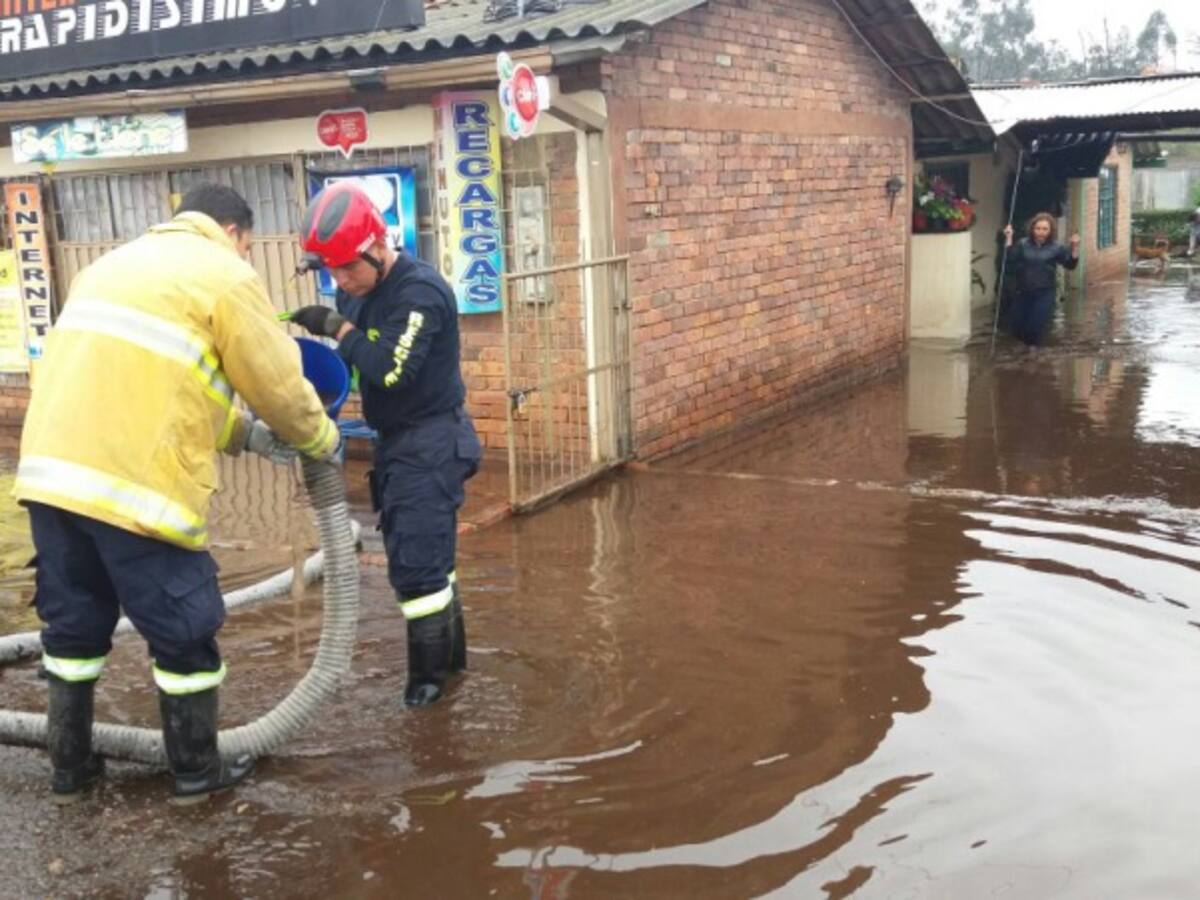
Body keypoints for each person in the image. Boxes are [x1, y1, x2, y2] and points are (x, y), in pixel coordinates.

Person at [14, 184, 341, 805]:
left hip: (51, 481)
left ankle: (71, 772)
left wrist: (243, 435)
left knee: (74, 629)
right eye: (247, 245)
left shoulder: (108, 267)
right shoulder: (223, 273)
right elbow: (278, 382)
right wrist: (320, 438)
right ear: (234, 231)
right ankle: (196, 772)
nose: (245, 255)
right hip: (136, 490)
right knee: (183, 631)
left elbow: (167, 388)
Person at [289, 182, 481, 708]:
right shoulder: (354, 292)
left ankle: (428, 697)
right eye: (331, 272)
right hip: (396, 442)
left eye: (349, 268)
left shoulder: (421, 293)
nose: (341, 281)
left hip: (432, 440)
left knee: (418, 574)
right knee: (430, 563)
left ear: (378, 246)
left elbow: (391, 369)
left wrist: (338, 329)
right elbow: (357, 361)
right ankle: (454, 670)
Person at [1003, 213, 1080, 350]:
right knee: (1017, 327)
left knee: (1035, 326)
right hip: (1023, 292)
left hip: (1044, 293)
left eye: (1045, 229)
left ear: (1050, 231)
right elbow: (1010, 259)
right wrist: (1009, 238)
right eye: (1038, 228)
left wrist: (1074, 248)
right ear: (1032, 229)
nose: (1041, 232)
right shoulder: (1023, 244)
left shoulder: (1057, 247)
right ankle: (1024, 353)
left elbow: (1070, 265)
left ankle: (1033, 356)